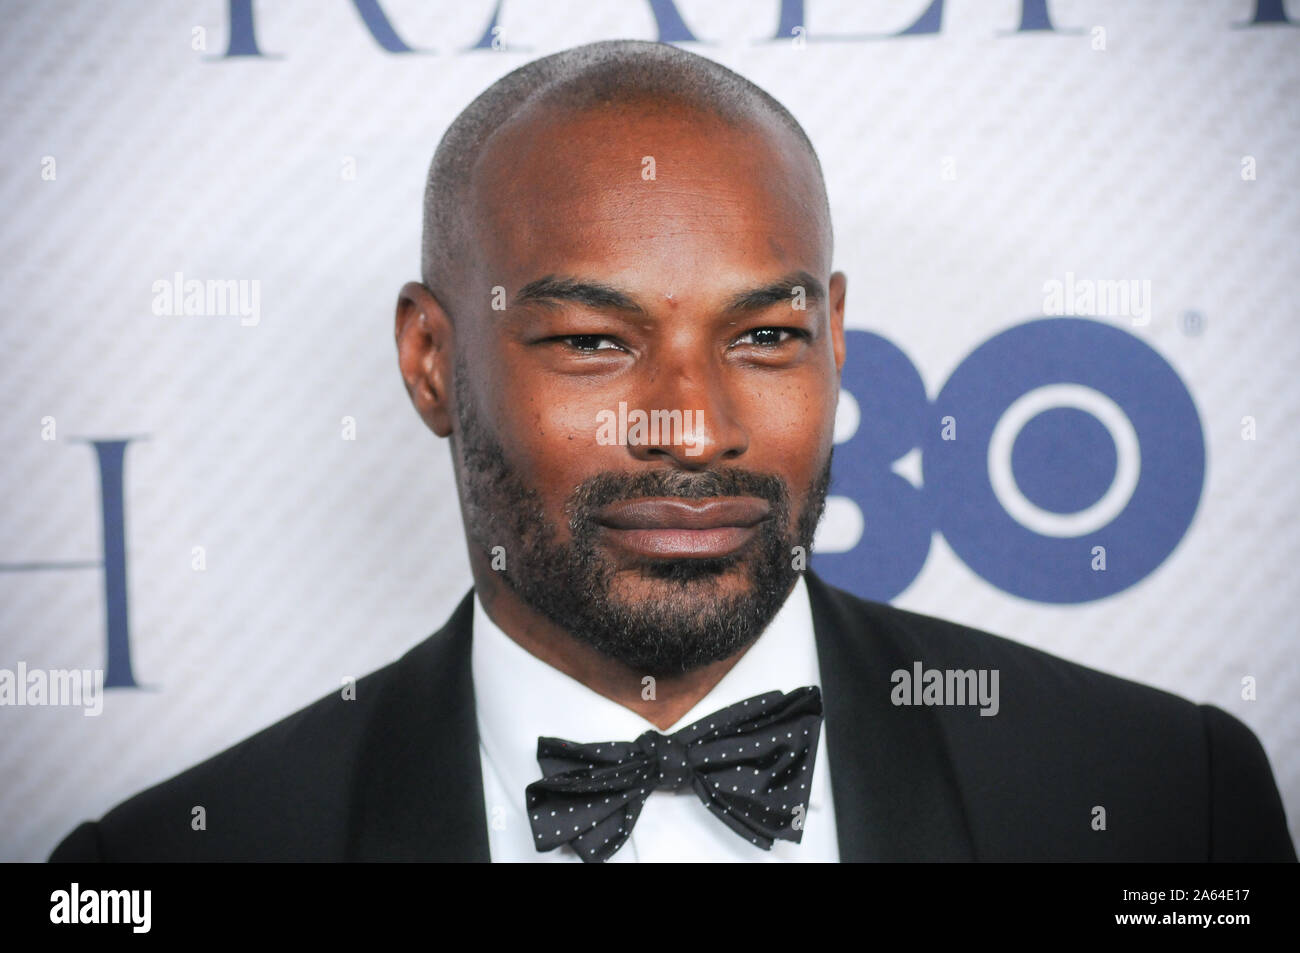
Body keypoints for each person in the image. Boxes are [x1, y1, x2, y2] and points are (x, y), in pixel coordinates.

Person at [50, 39, 1294, 863]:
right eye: (594, 342)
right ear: (433, 359)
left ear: (837, 337)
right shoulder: (168, 862)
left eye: (762, 334)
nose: (692, 426)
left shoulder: (1160, 798)